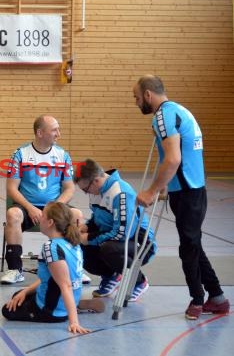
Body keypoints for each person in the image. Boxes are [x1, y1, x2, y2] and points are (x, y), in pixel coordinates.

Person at [133, 75, 230, 320]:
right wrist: (165, 185)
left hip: (188, 192)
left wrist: (151, 190)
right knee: (193, 244)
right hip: (192, 189)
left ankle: (197, 300)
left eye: (136, 97)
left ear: (147, 95)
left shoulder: (163, 116)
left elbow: (173, 158)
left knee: (188, 248)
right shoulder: (179, 110)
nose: (136, 103)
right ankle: (217, 297)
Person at [2, 202, 104, 334]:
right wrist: (26, 291)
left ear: (50, 222)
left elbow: (65, 285)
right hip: (65, 296)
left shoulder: (51, 247)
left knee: (7, 310)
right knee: (19, 295)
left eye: (42, 216)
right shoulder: (72, 242)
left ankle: (70, 309)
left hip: (51, 310)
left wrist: (74, 322)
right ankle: (74, 304)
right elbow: (52, 276)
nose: (39, 219)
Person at [1, 115, 75, 284]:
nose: (59, 134)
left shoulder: (63, 155)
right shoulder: (21, 154)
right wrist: (29, 208)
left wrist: (55, 206)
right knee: (13, 214)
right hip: (28, 207)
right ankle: (15, 270)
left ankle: (71, 266)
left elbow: (70, 188)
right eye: (54, 130)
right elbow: (11, 188)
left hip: (55, 206)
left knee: (76, 214)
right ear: (40, 133)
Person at [74, 158, 156, 302]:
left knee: (108, 248)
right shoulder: (97, 191)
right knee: (78, 241)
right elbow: (99, 216)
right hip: (115, 237)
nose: (86, 193)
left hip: (140, 242)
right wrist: (87, 227)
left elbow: (122, 233)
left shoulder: (120, 193)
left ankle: (139, 282)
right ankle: (111, 275)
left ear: (96, 181)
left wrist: (89, 238)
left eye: (85, 189)